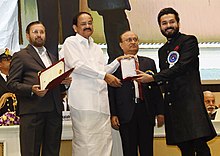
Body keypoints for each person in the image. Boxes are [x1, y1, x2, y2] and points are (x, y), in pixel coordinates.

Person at [136, 7, 216, 156]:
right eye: (164, 23)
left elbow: (181, 67)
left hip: (190, 103)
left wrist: (153, 78)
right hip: (173, 105)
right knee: (184, 148)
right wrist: (146, 80)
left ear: (178, 23)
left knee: (200, 145)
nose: (168, 26)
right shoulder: (162, 51)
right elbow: (165, 78)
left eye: (171, 22)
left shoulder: (189, 41)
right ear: (160, 27)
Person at [60, 12, 132, 156]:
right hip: (84, 103)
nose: (87, 26)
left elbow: (100, 71)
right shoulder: (70, 42)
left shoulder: (97, 48)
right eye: (83, 24)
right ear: (75, 28)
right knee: (86, 144)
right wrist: (104, 75)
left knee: (104, 142)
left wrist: (116, 62)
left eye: (90, 23)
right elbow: (77, 66)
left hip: (101, 103)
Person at [7, 21, 72, 156]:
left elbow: (54, 85)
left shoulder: (53, 57)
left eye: (42, 32)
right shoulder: (21, 56)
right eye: (35, 32)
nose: (39, 35)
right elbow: (12, 84)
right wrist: (31, 89)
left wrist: (64, 83)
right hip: (32, 112)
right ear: (27, 36)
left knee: (52, 151)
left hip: (54, 111)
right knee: (30, 151)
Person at [108, 31, 164, 156]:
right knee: (129, 150)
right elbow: (111, 91)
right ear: (121, 45)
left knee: (147, 149)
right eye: (128, 40)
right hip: (126, 113)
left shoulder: (148, 63)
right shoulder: (115, 64)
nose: (133, 42)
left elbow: (156, 88)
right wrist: (113, 114)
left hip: (146, 110)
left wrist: (160, 111)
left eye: (135, 39)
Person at [0, 48, 17, 117]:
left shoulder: (17, 78)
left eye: (11, 59)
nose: (10, 61)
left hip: (17, 118)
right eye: (6, 59)